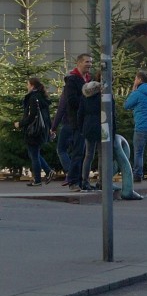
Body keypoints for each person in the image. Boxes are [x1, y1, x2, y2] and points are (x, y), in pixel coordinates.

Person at [61, 53, 93, 192]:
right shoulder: (73, 80)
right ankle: (73, 182)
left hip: (86, 121)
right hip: (77, 121)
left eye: (91, 62)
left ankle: (81, 182)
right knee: (78, 152)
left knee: (84, 152)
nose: (89, 64)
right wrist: (87, 100)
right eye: (87, 62)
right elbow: (71, 101)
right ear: (79, 63)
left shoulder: (87, 79)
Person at [15, 77, 53, 186]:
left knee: (34, 154)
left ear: (32, 86)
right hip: (42, 129)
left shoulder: (33, 98)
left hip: (34, 130)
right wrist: (50, 129)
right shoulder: (42, 97)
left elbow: (31, 116)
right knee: (33, 153)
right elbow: (47, 116)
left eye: (28, 84)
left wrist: (20, 124)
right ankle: (48, 171)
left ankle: (38, 180)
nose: (27, 87)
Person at [78, 77, 103, 191]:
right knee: (102, 156)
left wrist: (81, 128)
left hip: (88, 127)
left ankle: (85, 181)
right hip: (101, 127)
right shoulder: (102, 97)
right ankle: (102, 181)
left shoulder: (85, 97)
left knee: (88, 155)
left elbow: (80, 114)